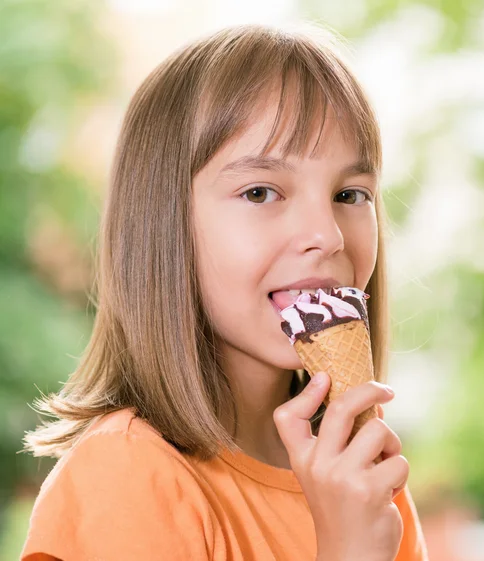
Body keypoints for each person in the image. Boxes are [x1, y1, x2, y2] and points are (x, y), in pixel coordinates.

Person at [20, 23, 429, 561]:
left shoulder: (363, 478)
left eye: (350, 193)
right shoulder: (124, 474)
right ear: (164, 226)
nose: (328, 236)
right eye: (261, 191)